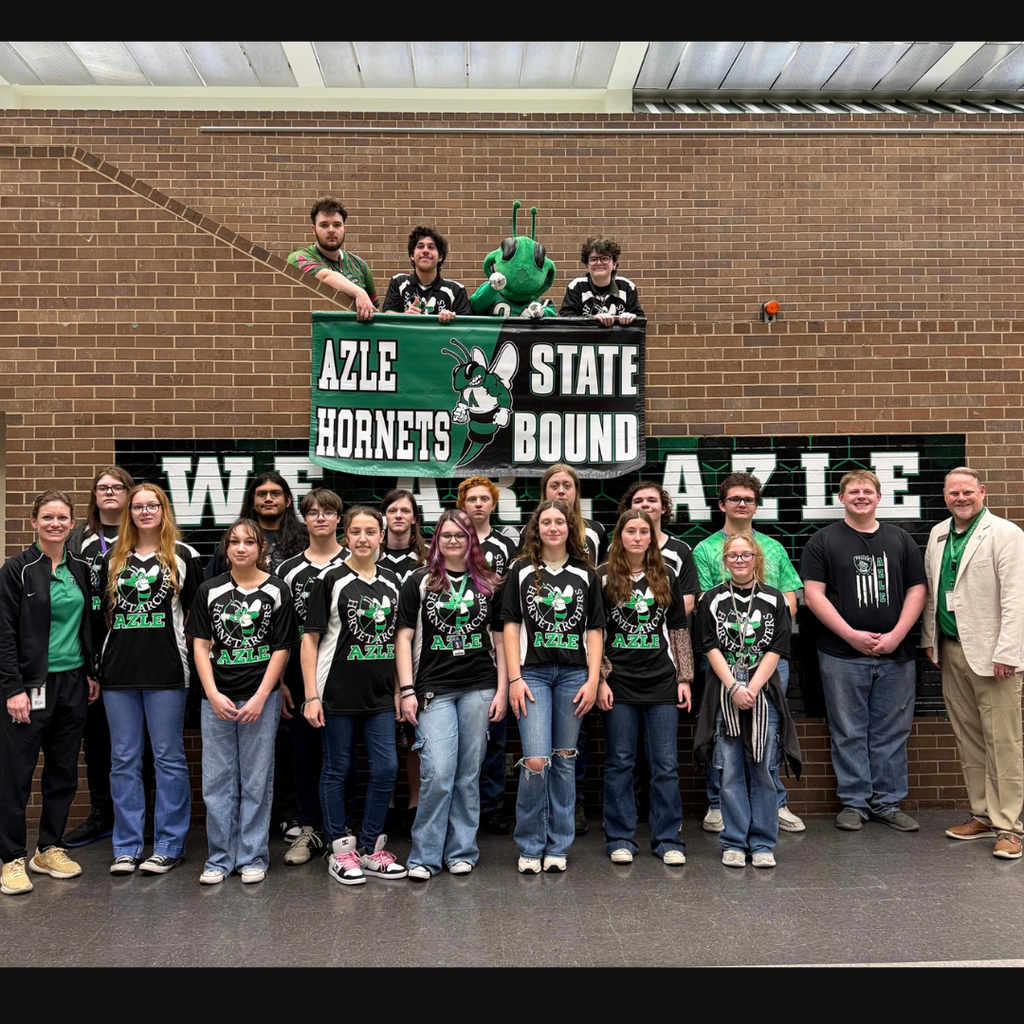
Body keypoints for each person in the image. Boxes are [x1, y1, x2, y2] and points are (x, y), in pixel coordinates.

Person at [801, 470, 927, 832]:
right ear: (840, 498)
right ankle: (854, 804)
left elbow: (917, 591)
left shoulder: (901, 540)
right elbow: (813, 595)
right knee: (848, 729)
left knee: (891, 731)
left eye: (867, 491)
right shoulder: (822, 541)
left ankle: (888, 802)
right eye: (853, 491)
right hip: (841, 655)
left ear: (879, 496)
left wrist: (897, 635)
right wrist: (851, 635)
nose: (860, 496)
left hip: (896, 654)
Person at [692, 472, 805, 835]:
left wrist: (763, 622)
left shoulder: (773, 548)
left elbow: (789, 600)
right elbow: (706, 607)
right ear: (721, 504)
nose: (742, 504)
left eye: (749, 499)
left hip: (768, 660)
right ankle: (718, 805)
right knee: (723, 731)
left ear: (757, 505)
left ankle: (774, 804)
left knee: (767, 733)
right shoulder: (705, 550)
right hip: (722, 660)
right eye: (735, 498)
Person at [187, 519, 299, 885]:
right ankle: (219, 858)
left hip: (259, 700)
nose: (240, 548)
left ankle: (252, 855)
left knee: (255, 781)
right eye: (233, 542)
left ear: (260, 549)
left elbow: (282, 648)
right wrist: (212, 693)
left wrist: (261, 696)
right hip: (217, 700)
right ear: (225, 549)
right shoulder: (209, 589)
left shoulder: (278, 590)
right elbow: (200, 646)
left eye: (249, 542)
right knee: (217, 781)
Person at [396, 509, 507, 879]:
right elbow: (404, 637)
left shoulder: (488, 582)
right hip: (432, 689)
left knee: (467, 774)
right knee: (438, 772)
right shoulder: (420, 581)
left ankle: (461, 850)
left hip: (479, 687)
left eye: (461, 535)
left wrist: (503, 689)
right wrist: (406, 689)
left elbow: (501, 640)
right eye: (446, 535)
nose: (454, 541)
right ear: (436, 540)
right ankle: (424, 856)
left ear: (471, 539)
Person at [99, 484, 203, 875]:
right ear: (130, 512)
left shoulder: (184, 556)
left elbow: (194, 618)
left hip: (167, 672)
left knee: (168, 758)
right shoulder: (113, 558)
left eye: (152, 505)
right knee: (123, 759)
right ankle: (126, 846)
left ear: (163, 510)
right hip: (119, 674)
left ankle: (168, 844)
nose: (144, 512)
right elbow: (106, 616)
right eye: (138, 506)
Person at [0, 490, 100, 895]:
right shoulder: (16, 570)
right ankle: (10, 857)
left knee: (62, 769)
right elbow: (5, 633)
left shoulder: (80, 567)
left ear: (72, 523)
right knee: (17, 775)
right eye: (47, 517)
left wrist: (91, 673)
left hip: (73, 684)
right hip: (29, 687)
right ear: (33, 522)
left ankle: (49, 848)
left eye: (62, 517)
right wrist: (13, 688)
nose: (55, 523)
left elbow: (88, 626)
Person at [301, 506, 407, 885]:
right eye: (356, 531)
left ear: (381, 536)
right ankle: (340, 851)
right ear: (346, 536)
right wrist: (311, 696)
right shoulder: (331, 579)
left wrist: (398, 689)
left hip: (379, 696)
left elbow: (398, 641)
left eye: (370, 532)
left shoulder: (393, 581)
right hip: (336, 694)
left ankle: (370, 847)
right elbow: (310, 640)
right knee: (337, 769)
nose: (363, 538)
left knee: (387, 769)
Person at [922, 468, 1024, 860]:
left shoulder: (1005, 533)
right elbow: (935, 591)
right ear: (944, 496)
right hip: (952, 649)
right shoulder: (938, 534)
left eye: (967, 492)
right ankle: (982, 814)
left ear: (982, 492)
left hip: (994, 656)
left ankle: (1010, 826)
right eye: (953, 493)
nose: (960, 498)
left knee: (1003, 741)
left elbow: (1016, 599)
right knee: (969, 738)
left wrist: (1008, 653)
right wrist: (931, 640)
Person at [501, 499, 605, 873]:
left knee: (563, 759)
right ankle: (530, 845)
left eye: (560, 521)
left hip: (575, 676)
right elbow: (510, 625)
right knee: (535, 760)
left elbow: (595, 630)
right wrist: (514, 677)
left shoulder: (585, 574)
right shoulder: (520, 571)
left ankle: (558, 846)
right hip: (533, 675)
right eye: (546, 522)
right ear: (537, 528)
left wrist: (593, 679)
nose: (553, 528)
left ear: (570, 528)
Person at [597, 510, 692, 865]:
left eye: (644, 531)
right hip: (619, 683)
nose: (637, 537)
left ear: (652, 537)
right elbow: (596, 634)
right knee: (620, 761)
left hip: (662, 681)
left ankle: (668, 838)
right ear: (619, 535)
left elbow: (679, 629)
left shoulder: (666, 574)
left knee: (665, 763)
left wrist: (684, 678)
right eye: (630, 531)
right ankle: (620, 837)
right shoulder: (602, 576)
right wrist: (602, 679)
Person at [276, 488, 348, 866]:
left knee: (344, 754)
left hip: (347, 674)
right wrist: (282, 682)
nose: (320, 517)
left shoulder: (357, 561)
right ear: (304, 519)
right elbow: (280, 630)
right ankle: (310, 828)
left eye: (328, 511)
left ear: (340, 519)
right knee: (304, 753)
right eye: (313, 512)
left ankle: (343, 828)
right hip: (301, 677)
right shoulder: (288, 570)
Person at [64, 465, 134, 847]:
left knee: (139, 742)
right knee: (96, 739)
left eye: (117, 487)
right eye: (102, 488)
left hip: (133, 649)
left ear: (128, 493)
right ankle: (101, 814)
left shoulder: (142, 534)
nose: (109, 493)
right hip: (88, 651)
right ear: (94, 495)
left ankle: (144, 818)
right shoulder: (80, 538)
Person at [540, 463, 604, 833]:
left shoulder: (593, 530)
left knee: (575, 734)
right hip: (545, 644)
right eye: (554, 485)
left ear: (577, 492)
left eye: (567, 485)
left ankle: (574, 802)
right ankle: (544, 807)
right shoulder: (530, 533)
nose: (561, 490)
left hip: (582, 645)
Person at [457, 475, 518, 835]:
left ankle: (492, 805)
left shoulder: (504, 545)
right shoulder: (451, 541)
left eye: (484, 499)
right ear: (463, 505)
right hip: (459, 645)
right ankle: (464, 806)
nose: (478, 504)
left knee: (495, 734)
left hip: (496, 644)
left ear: (493, 504)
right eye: (471, 499)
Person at [379, 487, 429, 836]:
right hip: (376, 658)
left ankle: (413, 804)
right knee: (382, 737)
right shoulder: (371, 556)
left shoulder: (427, 561)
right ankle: (387, 805)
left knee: (414, 736)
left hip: (416, 660)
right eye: (392, 510)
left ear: (414, 518)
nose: (399, 515)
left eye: (405, 510)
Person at [287, 194, 376, 321]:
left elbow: (375, 310)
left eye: (337, 225)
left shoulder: (360, 266)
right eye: (324, 225)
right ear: (314, 229)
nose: (331, 230)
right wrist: (359, 292)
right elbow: (326, 277)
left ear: (344, 229)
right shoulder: (299, 257)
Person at [381, 225, 471, 322]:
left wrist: (453, 319)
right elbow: (387, 315)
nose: (425, 251)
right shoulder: (398, 282)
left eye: (431, 247)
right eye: (420, 246)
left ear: (440, 256)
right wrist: (405, 315)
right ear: (412, 255)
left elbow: (466, 328)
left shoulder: (456, 290)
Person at [559, 236, 643, 325]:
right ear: (587, 266)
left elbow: (640, 321)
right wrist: (592, 319)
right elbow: (567, 319)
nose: (599, 263)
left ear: (614, 264)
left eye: (604, 258)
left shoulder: (627, 287)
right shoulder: (576, 287)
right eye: (593, 259)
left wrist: (631, 318)